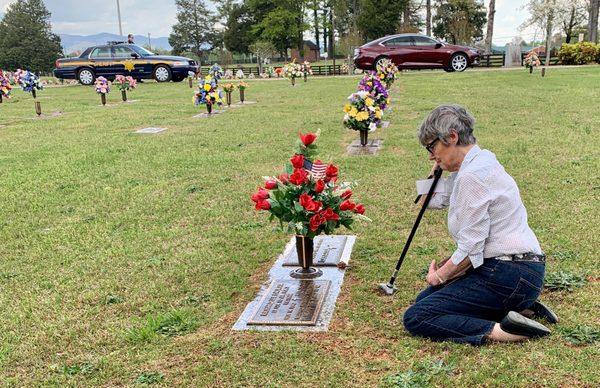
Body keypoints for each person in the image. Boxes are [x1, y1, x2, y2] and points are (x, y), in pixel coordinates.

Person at [403, 104, 557, 346]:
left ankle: (506, 330)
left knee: (418, 316)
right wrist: (434, 171)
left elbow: (470, 248)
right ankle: (521, 306)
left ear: (452, 137)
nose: (431, 155)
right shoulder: (480, 162)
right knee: (424, 299)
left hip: (508, 273)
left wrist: (440, 277)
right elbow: (428, 202)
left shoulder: (472, 176)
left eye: (432, 147)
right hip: (519, 272)